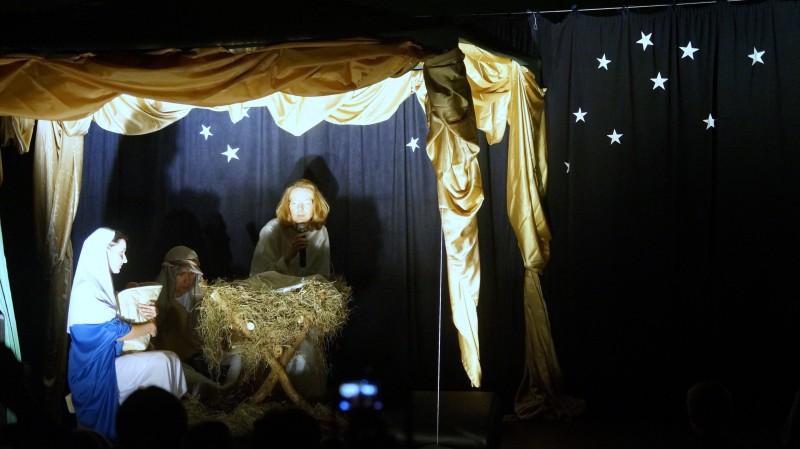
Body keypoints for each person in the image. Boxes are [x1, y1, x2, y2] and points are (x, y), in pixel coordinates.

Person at [66, 228, 186, 440]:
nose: (126, 259)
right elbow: (116, 331)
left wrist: (148, 312)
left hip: (106, 362)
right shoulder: (87, 289)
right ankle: (161, 427)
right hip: (95, 372)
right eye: (121, 253)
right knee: (163, 363)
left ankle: (159, 421)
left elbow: (119, 318)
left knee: (170, 360)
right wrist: (150, 326)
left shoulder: (97, 286)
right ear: (103, 252)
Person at [147, 246, 241, 400]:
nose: (187, 280)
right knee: (192, 379)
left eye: (191, 274)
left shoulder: (199, 297)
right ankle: (216, 393)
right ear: (170, 274)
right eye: (181, 274)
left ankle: (228, 389)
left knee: (239, 355)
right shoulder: (153, 299)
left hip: (197, 355)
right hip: (171, 360)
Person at [250, 178, 331, 279]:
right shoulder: (271, 230)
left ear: (315, 206)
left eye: (307, 203)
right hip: (277, 286)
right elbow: (257, 275)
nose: (300, 209)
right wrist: (288, 257)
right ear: (288, 206)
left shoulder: (320, 231)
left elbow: (323, 273)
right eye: (294, 203)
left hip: (307, 288)